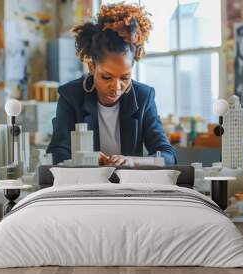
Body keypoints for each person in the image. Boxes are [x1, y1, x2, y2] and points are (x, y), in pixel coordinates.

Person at [47, 3, 177, 166]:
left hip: (128, 186)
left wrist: (133, 161)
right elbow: (56, 154)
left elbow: (168, 155)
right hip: (85, 185)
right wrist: (87, 159)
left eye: (124, 78)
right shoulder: (71, 95)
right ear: (92, 67)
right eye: (107, 77)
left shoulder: (144, 96)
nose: (116, 87)